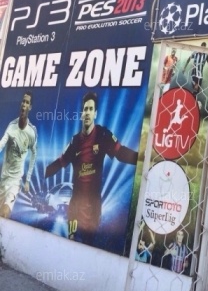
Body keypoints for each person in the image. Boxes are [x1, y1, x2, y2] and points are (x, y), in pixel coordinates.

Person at [45, 92, 138, 245]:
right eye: (85, 109)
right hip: (75, 208)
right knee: (70, 243)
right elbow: (60, 163)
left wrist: (140, 158)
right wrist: (43, 173)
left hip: (93, 210)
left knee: (88, 246)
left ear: (95, 113)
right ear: (81, 113)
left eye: (90, 109)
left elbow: (120, 153)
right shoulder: (75, 141)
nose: (87, 112)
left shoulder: (103, 135)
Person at [0, 91, 37, 218]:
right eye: (23, 101)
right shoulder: (11, 126)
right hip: (3, 178)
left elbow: (34, 154)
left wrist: (27, 180)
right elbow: (1, 144)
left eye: (27, 102)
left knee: (5, 212)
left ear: (30, 107)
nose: (24, 104)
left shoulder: (31, 132)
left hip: (15, 181)